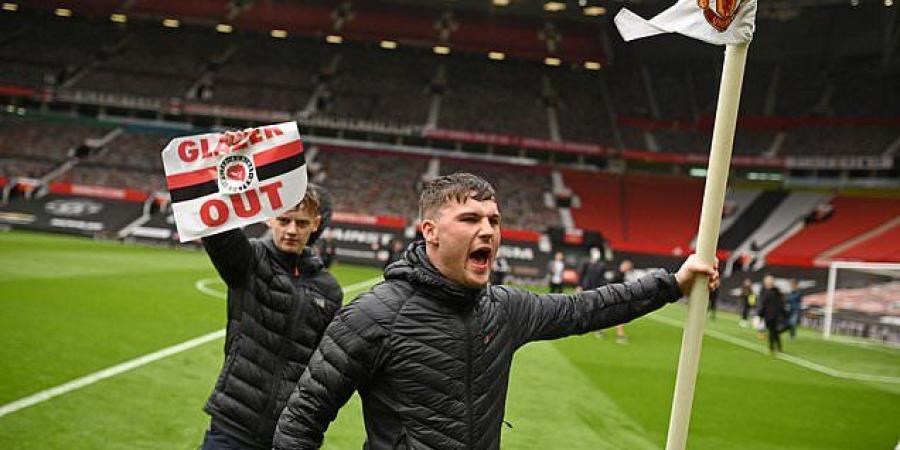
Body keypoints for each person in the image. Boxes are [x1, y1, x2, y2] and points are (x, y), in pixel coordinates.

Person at [272, 172, 719, 449]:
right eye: (470, 220)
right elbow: (302, 419)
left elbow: (587, 308)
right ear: (430, 231)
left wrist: (671, 284)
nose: (487, 230)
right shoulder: (373, 315)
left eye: (494, 221)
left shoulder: (504, 309)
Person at [198, 131, 344, 450]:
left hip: (290, 436)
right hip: (233, 427)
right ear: (269, 218)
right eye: (285, 220)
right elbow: (216, 228)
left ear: (315, 224)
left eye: (301, 223)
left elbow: (326, 367)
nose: (292, 230)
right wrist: (223, 164)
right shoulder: (250, 261)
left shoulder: (329, 289)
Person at [758, 275, 786, 354]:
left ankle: (772, 348)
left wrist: (760, 314)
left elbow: (764, 305)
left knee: (772, 332)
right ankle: (778, 347)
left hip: (771, 315)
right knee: (774, 331)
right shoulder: (775, 291)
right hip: (773, 315)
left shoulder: (769, 292)